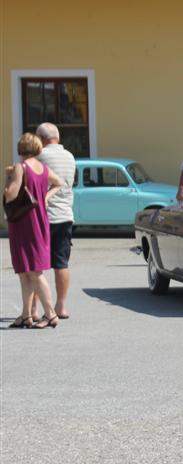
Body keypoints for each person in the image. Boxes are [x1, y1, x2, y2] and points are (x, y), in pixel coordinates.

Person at [4, 133, 63, 328]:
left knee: (34, 272)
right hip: (39, 222)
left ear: (21, 148)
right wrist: (45, 197)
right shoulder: (43, 168)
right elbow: (59, 183)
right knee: (25, 271)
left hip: (23, 223)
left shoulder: (21, 167)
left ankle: (51, 314)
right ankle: (26, 314)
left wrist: (9, 178)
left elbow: (10, 195)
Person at [33, 123, 76, 320]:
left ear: (42, 139)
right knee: (61, 263)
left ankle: (32, 308)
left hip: (44, 216)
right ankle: (61, 306)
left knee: (35, 265)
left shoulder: (39, 157)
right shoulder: (70, 157)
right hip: (65, 216)